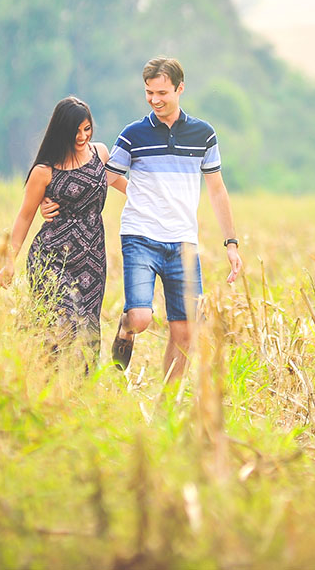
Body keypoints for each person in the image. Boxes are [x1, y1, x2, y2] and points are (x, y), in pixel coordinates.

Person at [99, 56, 241, 385]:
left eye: (162, 92)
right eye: (149, 92)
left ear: (180, 89)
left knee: (186, 332)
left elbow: (217, 190)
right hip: (140, 236)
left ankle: (166, 406)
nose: (155, 100)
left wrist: (231, 243)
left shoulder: (203, 134)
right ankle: (126, 327)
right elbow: (106, 177)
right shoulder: (133, 134)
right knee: (140, 317)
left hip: (183, 243)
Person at [0, 96, 126, 361]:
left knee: (88, 327)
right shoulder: (44, 171)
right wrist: (9, 261)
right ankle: (46, 376)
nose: (82, 136)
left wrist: (160, 201)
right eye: (76, 131)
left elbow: (123, 185)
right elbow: (24, 217)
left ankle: (81, 383)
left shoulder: (100, 153)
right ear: (61, 131)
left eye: (87, 129)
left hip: (92, 259)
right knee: (62, 324)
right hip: (52, 258)